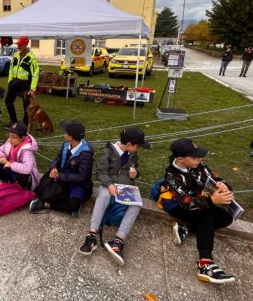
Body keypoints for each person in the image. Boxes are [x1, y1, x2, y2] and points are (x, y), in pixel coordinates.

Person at [157, 138, 235, 284]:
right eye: (195, 157)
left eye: (199, 155)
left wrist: (223, 185)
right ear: (180, 159)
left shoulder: (198, 164)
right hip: (176, 205)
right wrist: (212, 201)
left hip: (198, 199)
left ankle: (185, 228)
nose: (200, 159)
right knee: (206, 215)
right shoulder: (171, 176)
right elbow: (186, 203)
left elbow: (213, 177)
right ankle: (205, 264)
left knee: (226, 218)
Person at [78, 127, 151, 267]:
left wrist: (135, 174)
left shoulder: (133, 154)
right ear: (129, 144)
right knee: (103, 196)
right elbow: (101, 172)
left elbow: (136, 168)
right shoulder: (108, 152)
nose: (139, 149)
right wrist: (110, 185)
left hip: (126, 187)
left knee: (136, 205)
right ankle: (92, 236)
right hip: (109, 185)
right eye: (138, 146)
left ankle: (118, 241)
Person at [29, 120, 94, 215]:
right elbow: (58, 158)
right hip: (61, 176)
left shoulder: (86, 154)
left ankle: (48, 204)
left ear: (71, 137)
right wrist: (53, 168)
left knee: (73, 204)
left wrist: (60, 176)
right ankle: (42, 199)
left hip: (77, 184)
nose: (64, 133)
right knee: (43, 185)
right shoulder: (66, 144)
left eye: (65, 132)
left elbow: (82, 177)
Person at [0, 122, 40, 190]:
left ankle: (19, 189)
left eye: (14, 137)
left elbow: (27, 169)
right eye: (9, 136)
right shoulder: (11, 142)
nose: (10, 139)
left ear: (22, 138)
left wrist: (11, 164)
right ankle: (5, 180)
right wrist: (1, 157)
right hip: (11, 169)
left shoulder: (27, 150)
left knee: (23, 176)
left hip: (19, 173)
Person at [5, 37, 39, 126]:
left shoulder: (31, 58)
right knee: (8, 101)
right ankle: (13, 120)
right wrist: (10, 81)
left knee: (26, 105)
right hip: (13, 82)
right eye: (18, 45)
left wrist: (32, 89)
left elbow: (35, 74)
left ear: (26, 45)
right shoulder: (15, 55)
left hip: (25, 84)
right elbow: (11, 69)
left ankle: (25, 123)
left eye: (20, 45)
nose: (18, 46)